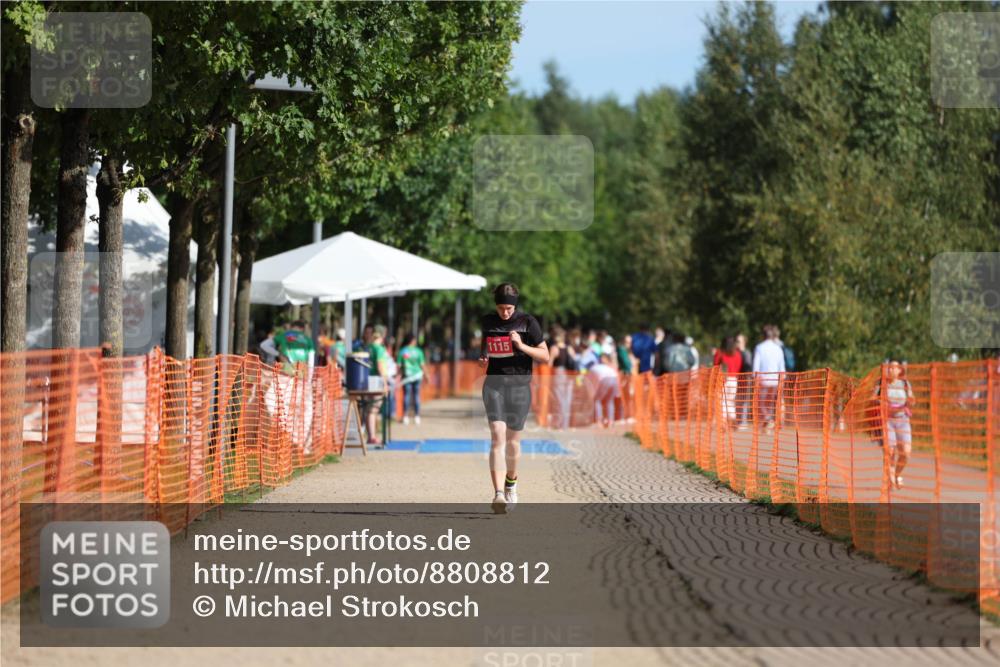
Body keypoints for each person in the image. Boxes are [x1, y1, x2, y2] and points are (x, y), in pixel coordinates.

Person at [478, 283, 547, 514]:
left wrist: (521, 345)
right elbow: (485, 348)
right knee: (497, 437)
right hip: (494, 385)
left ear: (514, 306)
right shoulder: (488, 322)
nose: (504, 313)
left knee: (512, 442)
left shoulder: (528, 322)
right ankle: (498, 494)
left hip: (519, 387)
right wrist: (483, 358)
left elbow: (545, 356)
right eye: (500, 308)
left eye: (508, 308)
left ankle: (511, 481)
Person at [874, 359, 914, 489]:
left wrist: (911, 401)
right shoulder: (882, 383)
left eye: (894, 368)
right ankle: (890, 479)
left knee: (906, 453)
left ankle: (897, 474)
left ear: (899, 370)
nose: (891, 370)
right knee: (890, 451)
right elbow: (873, 398)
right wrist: (882, 403)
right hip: (887, 421)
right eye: (889, 367)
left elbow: (912, 399)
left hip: (903, 420)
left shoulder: (905, 383)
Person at [752, 324, 786, 430]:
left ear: (763, 335)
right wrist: (782, 379)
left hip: (763, 380)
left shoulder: (759, 347)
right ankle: (768, 422)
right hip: (775, 380)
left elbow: (755, 366)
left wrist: (755, 377)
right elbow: (782, 367)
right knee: (770, 403)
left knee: (761, 403)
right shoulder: (778, 349)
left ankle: (768, 420)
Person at [547, 325, 577, 430]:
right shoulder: (569, 348)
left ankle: (558, 424)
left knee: (558, 399)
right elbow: (575, 362)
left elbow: (549, 364)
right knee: (567, 400)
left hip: (558, 374)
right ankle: (565, 425)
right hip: (570, 374)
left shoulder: (554, 348)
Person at [397, 334, 427, 425]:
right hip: (417, 376)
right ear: (413, 341)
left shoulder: (402, 351)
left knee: (407, 396)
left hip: (407, 376)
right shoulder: (419, 351)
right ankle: (417, 416)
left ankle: (405, 416)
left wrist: (398, 376)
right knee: (416, 396)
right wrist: (427, 375)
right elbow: (422, 365)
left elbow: (399, 366)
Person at [714, 336, 743, 426]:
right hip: (734, 379)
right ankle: (732, 419)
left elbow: (715, 365)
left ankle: (723, 422)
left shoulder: (720, 353)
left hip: (723, 379)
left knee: (722, 401)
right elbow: (739, 366)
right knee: (730, 401)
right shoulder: (737, 354)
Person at [587, 353, 621, 427]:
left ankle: (598, 421)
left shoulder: (593, 368)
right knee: (610, 401)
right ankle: (610, 421)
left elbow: (591, 382)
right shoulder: (607, 367)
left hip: (605, 379)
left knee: (597, 400)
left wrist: (593, 393)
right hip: (614, 379)